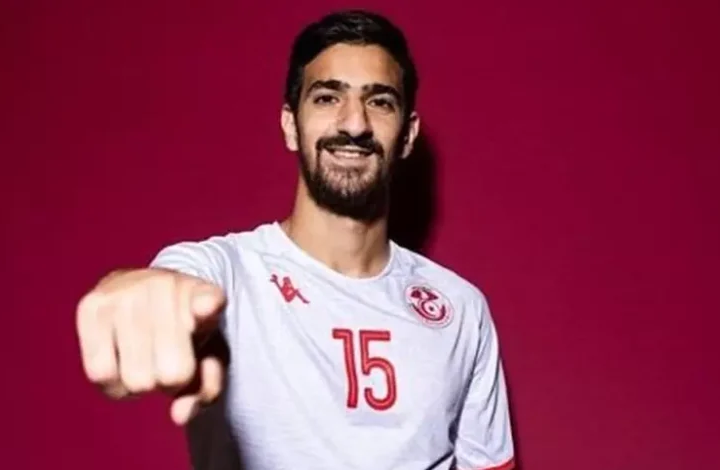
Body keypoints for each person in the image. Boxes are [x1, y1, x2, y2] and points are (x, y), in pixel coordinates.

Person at [75, 9, 516, 470]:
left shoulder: (460, 308)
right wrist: (133, 290)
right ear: (291, 125)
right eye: (327, 98)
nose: (354, 124)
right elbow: (168, 284)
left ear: (407, 134)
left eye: (380, 102)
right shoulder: (228, 274)